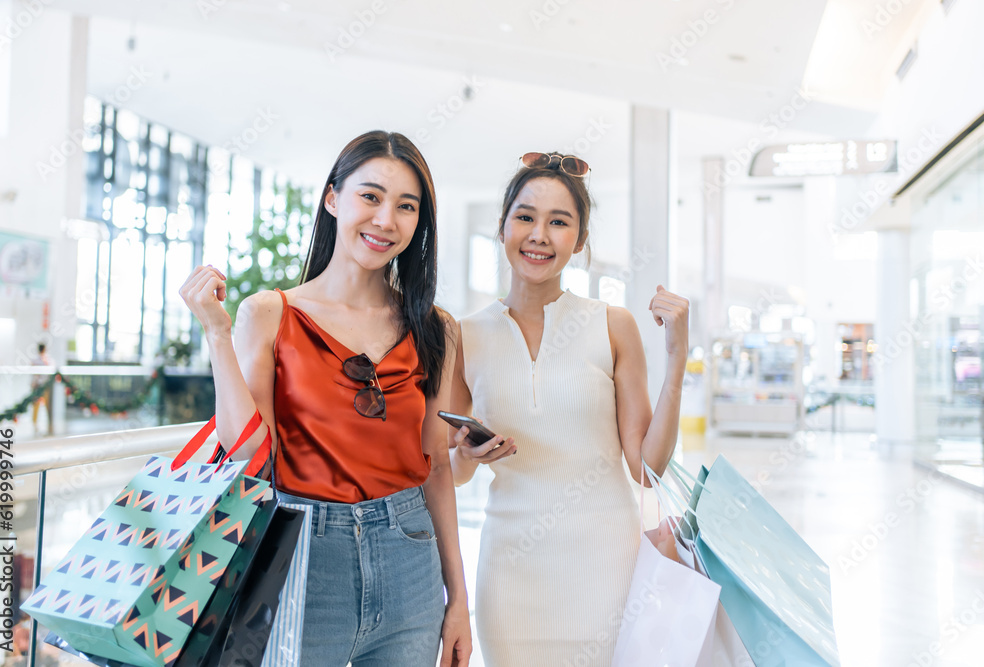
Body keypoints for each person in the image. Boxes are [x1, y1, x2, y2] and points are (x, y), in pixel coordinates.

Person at [180, 131, 472, 666]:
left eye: (407, 206)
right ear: (333, 198)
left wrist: (459, 599)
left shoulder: (435, 327)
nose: (386, 219)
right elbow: (248, 455)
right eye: (371, 196)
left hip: (411, 559)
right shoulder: (270, 313)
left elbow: (436, 471)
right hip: (300, 554)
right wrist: (218, 337)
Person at [448, 152, 690, 666]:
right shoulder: (464, 335)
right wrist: (469, 456)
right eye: (526, 216)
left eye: (559, 222)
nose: (539, 234)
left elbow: (646, 467)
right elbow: (450, 474)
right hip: (510, 571)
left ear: (579, 242)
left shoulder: (613, 324)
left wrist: (676, 358)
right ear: (502, 226)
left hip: (605, 563)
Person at [30, 342, 53, 435]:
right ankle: (36, 423)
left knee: (46, 404)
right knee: (37, 405)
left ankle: (48, 422)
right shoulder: (38, 360)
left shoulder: (47, 359)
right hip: (40, 385)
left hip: (43, 385)